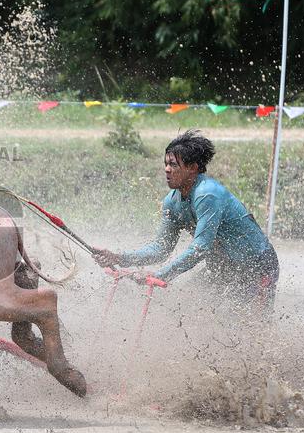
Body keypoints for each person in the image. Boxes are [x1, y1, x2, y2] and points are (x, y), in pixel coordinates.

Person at [92, 130, 279, 313]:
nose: (167, 169)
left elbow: (200, 247)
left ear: (193, 168)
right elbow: (160, 248)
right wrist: (119, 258)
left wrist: (161, 274)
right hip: (223, 268)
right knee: (187, 308)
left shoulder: (207, 194)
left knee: (249, 324)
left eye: (173, 164)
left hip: (257, 266)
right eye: (166, 164)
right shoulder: (171, 202)